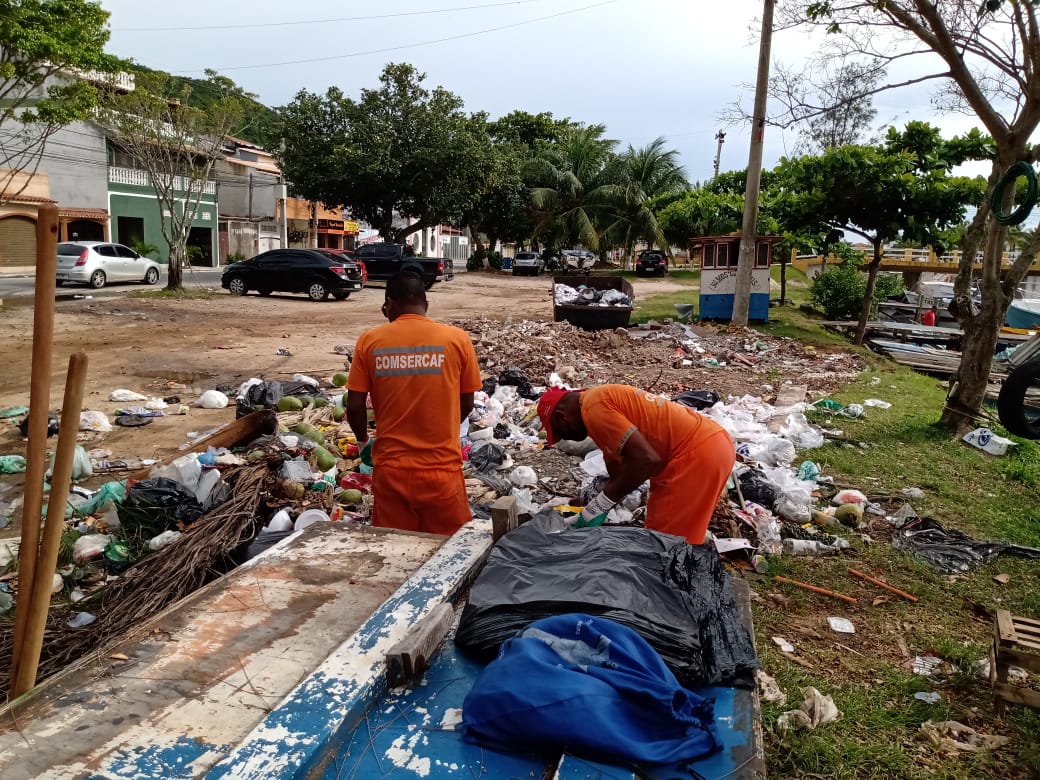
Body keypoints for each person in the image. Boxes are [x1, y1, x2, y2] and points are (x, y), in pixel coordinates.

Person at [346, 271, 483, 535]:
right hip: (442, 470)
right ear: (426, 306)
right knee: (447, 554)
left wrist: (364, 442)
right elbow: (467, 403)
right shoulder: (457, 340)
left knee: (395, 554)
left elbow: (354, 406)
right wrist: (443, 427)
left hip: (391, 472)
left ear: (389, 305)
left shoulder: (370, 342)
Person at [538, 384, 735, 545]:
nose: (567, 438)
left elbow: (646, 460)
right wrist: (586, 504)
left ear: (561, 418)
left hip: (696, 454)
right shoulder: (595, 402)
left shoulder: (594, 409)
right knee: (665, 533)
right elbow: (619, 472)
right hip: (710, 445)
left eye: (561, 433)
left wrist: (600, 505)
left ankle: (672, 591)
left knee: (668, 544)